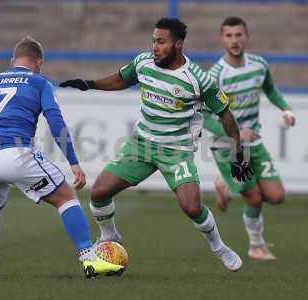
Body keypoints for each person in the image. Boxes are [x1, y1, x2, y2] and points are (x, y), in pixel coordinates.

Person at [60, 18, 252, 272]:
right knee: (98, 193)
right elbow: (121, 79)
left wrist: (238, 154)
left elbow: (226, 115)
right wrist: (90, 84)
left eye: (161, 42)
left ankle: (219, 247)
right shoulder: (144, 62)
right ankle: (110, 236)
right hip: (142, 145)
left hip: (176, 151)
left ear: (178, 44)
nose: (155, 47)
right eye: (153, 41)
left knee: (192, 206)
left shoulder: (197, 80)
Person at [0, 36, 124, 279]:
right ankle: (89, 258)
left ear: (13, 61)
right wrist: (74, 162)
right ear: (39, 63)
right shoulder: (39, 82)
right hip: (17, 154)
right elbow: (55, 121)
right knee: (66, 196)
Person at [203, 16, 296, 260]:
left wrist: (285, 109)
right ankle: (256, 246)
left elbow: (270, 89)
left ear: (247, 36)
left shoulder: (258, 65)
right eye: (229, 35)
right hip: (229, 146)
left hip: (253, 141)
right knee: (253, 196)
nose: (234, 40)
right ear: (222, 39)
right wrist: (235, 132)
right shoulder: (215, 75)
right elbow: (203, 116)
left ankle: (226, 183)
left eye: (239, 35)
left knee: (277, 196)